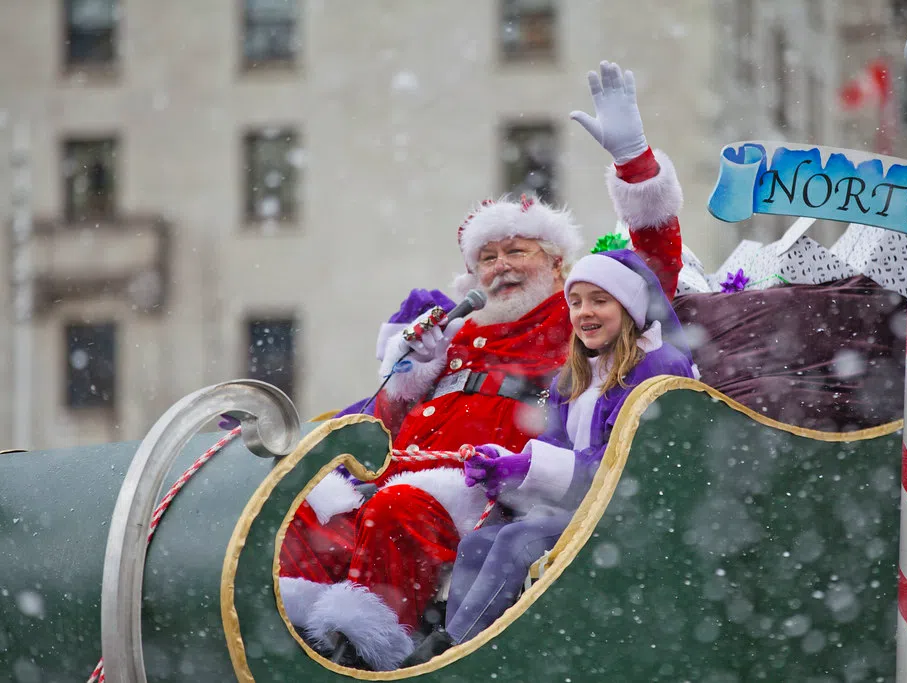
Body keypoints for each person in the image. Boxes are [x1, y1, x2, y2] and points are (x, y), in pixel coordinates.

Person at [287, 62, 693, 671]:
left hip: (481, 487)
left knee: (400, 510)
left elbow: (652, 268)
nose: (500, 266)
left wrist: (635, 163)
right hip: (395, 470)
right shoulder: (453, 330)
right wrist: (396, 383)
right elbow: (373, 419)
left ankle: (370, 655)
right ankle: (298, 641)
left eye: (516, 252)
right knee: (303, 509)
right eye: (487, 257)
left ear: (556, 264)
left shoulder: (573, 311)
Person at [400, 249, 697, 667]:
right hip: (580, 511)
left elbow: (624, 469)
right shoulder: (574, 374)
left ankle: (454, 653)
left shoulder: (658, 369)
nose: (584, 313)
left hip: (631, 519)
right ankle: (467, 649)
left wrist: (527, 468)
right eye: (575, 302)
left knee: (515, 541)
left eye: (599, 300)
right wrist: (501, 467)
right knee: (477, 544)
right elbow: (557, 447)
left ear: (628, 306)